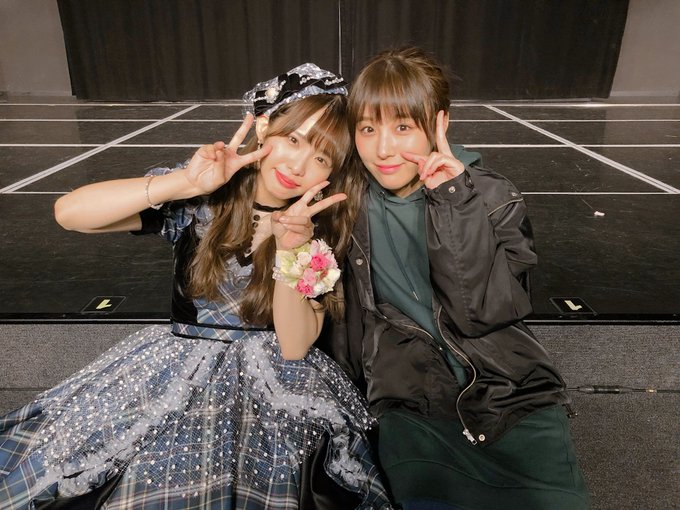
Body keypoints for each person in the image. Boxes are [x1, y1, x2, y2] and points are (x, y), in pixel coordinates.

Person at [0, 64, 391, 510]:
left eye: (322, 158)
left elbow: (294, 345)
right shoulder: (201, 199)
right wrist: (185, 181)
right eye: (294, 140)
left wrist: (290, 250)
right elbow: (70, 214)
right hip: (173, 372)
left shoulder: (320, 226)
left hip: (277, 387)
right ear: (264, 127)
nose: (298, 165)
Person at [321, 47, 590, 509]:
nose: (383, 149)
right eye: (367, 129)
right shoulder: (346, 202)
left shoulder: (490, 196)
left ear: (439, 123)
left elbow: (480, 312)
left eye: (402, 127)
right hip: (410, 395)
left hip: (507, 388)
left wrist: (452, 201)